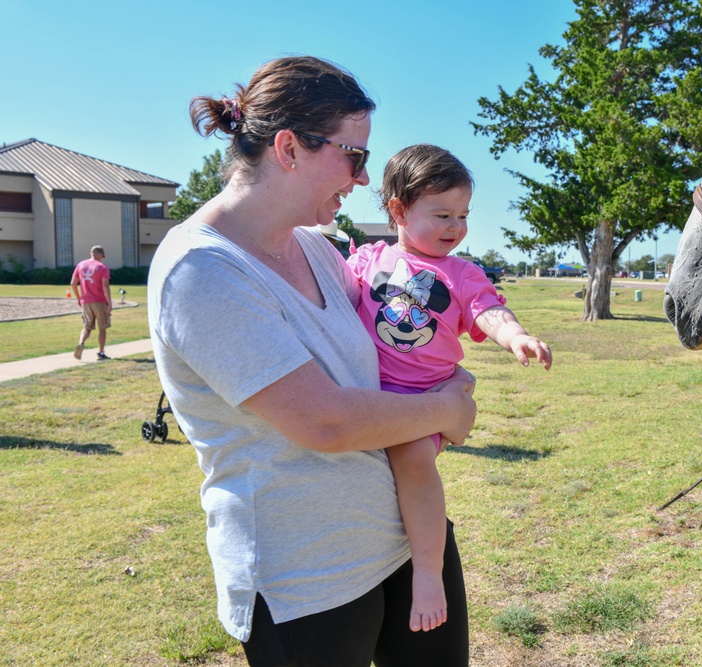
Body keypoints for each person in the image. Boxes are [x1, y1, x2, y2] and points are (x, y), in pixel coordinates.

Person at [146, 57, 478, 667]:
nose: (360, 178)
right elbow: (324, 422)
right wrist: (447, 409)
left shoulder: (318, 249)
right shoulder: (201, 269)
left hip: (403, 543)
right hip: (306, 579)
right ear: (289, 148)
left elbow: (386, 349)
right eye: (353, 157)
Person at [346, 144, 553, 633]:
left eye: (462, 215)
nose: (455, 227)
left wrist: (515, 336)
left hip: (423, 401)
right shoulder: (368, 258)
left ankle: (427, 573)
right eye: (442, 214)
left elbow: (488, 310)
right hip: (368, 396)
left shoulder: (461, 273)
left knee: (413, 463)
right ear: (398, 210)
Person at [70, 245, 112, 360]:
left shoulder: (80, 265)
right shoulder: (102, 267)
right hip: (99, 301)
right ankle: (101, 352)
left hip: (85, 301)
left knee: (86, 327)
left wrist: (79, 298)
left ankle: (81, 343)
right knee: (102, 327)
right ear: (100, 254)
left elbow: (73, 283)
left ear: (91, 253)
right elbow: (105, 286)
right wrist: (110, 303)